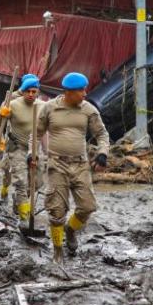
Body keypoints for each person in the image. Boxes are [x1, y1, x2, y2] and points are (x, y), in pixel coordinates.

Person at [36, 72, 110, 257]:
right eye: (81, 90)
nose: (85, 93)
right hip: (56, 165)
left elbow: (102, 134)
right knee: (56, 210)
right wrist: (32, 154)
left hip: (80, 165)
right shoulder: (49, 108)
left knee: (88, 207)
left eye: (85, 89)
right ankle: (58, 251)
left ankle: (70, 229)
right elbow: (36, 133)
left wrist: (102, 153)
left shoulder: (89, 110)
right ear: (68, 92)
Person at [0, 74, 43, 221]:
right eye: (28, 91)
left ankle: (19, 200)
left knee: (37, 183)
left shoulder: (43, 106)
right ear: (23, 90)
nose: (30, 94)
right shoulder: (13, 103)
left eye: (34, 91)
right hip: (16, 147)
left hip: (34, 149)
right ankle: (25, 218)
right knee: (20, 181)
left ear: (38, 91)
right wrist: (1, 114)